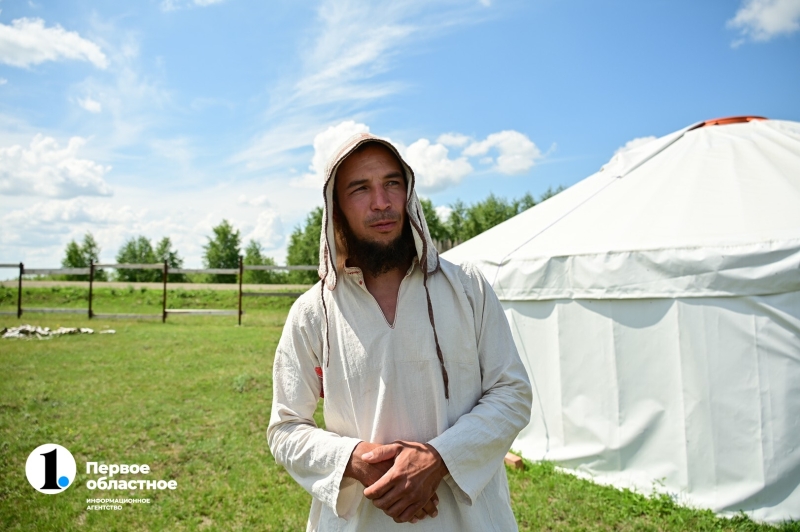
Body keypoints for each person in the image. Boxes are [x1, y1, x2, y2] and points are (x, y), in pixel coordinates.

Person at [268, 132, 533, 531]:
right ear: (335, 209)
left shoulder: (468, 288)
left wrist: (439, 458)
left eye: (392, 183)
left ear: (408, 193)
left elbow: (512, 393)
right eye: (360, 189)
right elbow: (285, 427)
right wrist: (353, 460)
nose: (381, 202)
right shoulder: (314, 311)